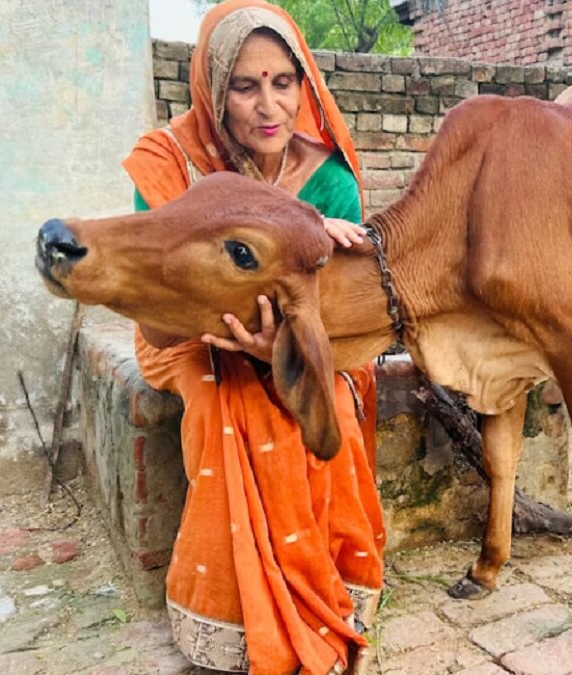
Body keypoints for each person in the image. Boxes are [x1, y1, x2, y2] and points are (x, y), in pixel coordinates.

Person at [121, 2, 384, 673]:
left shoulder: (329, 178)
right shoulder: (172, 161)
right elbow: (160, 293)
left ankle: (328, 585)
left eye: (283, 82)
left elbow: (336, 305)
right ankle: (232, 612)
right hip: (190, 337)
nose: (269, 106)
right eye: (245, 86)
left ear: (305, 86)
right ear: (213, 89)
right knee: (221, 400)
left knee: (333, 402)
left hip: (300, 333)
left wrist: (287, 349)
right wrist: (286, 229)